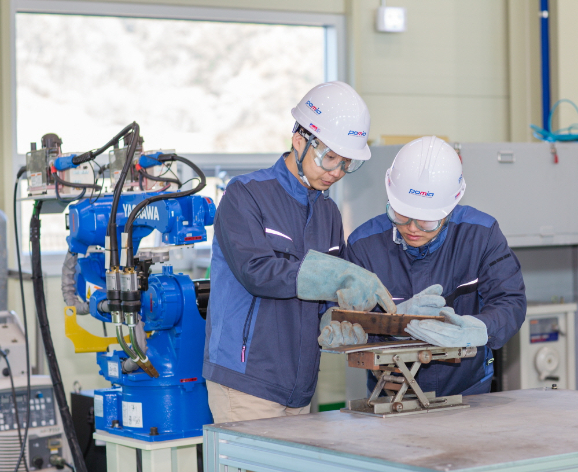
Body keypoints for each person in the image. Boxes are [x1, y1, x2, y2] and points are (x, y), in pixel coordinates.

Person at [203, 81, 398, 423]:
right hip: (247, 382)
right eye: (330, 158)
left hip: (301, 385)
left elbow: (327, 297)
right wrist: (334, 274)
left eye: (346, 163)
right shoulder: (245, 195)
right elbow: (258, 272)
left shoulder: (328, 213)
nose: (336, 172)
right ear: (299, 141)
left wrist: (337, 320)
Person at [319, 136, 527, 396]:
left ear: (450, 208)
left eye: (427, 222)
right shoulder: (364, 245)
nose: (412, 229)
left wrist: (480, 327)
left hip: (469, 391)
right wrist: (388, 327)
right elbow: (340, 318)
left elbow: (510, 301)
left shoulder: (481, 235)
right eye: (401, 215)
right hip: (391, 393)